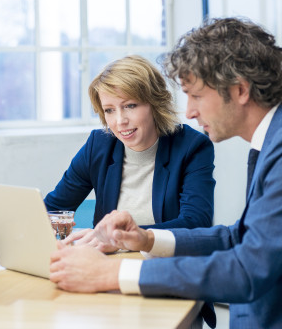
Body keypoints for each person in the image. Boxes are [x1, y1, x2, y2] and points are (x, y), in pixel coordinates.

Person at [49, 17, 282, 329]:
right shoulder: (270, 143)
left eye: (196, 96)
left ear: (239, 90)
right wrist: (145, 238)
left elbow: (246, 269)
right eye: (109, 110)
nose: (189, 112)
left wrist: (112, 273)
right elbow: (236, 236)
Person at [44, 55, 215, 251]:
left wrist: (121, 239)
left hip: (165, 266)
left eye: (130, 106)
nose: (120, 121)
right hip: (105, 264)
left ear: (155, 103)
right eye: (109, 110)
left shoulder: (192, 147)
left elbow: (196, 224)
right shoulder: (98, 145)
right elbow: (53, 209)